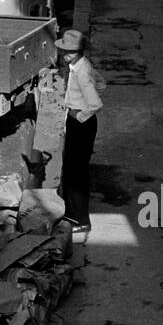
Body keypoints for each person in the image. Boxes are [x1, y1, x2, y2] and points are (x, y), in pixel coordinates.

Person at [56, 28, 104, 231]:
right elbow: (102, 83)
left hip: (81, 122)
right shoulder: (82, 66)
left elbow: (95, 103)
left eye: (70, 52)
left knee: (76, 171)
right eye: (65, 51)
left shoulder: (82, 72)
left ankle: (80, 219)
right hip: (80, 121)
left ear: (79, 52)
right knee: (73, 168)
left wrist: (78, 114)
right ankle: (72, 212)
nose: (65, 55)